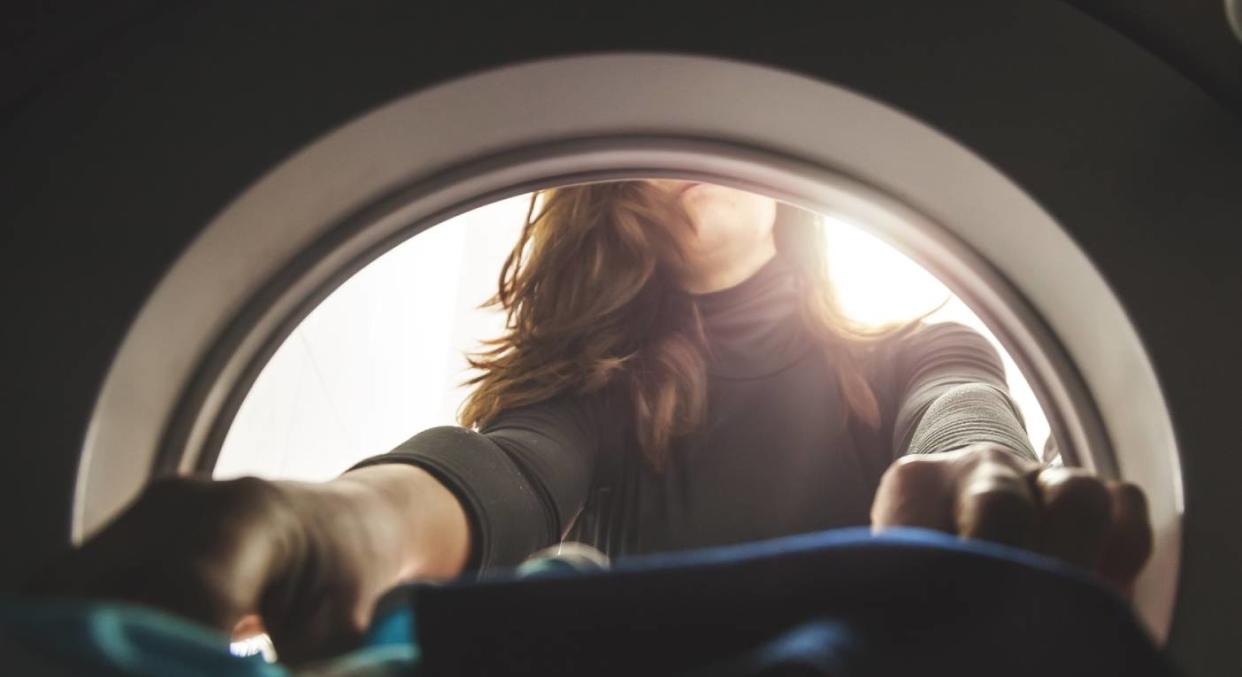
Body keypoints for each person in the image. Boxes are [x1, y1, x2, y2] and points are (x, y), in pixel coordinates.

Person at [30, 180, 1153, 664]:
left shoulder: (909, 344)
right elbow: (505, 468)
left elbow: (959, 411)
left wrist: (981, 470)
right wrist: (314, 515)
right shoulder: (605, 394)